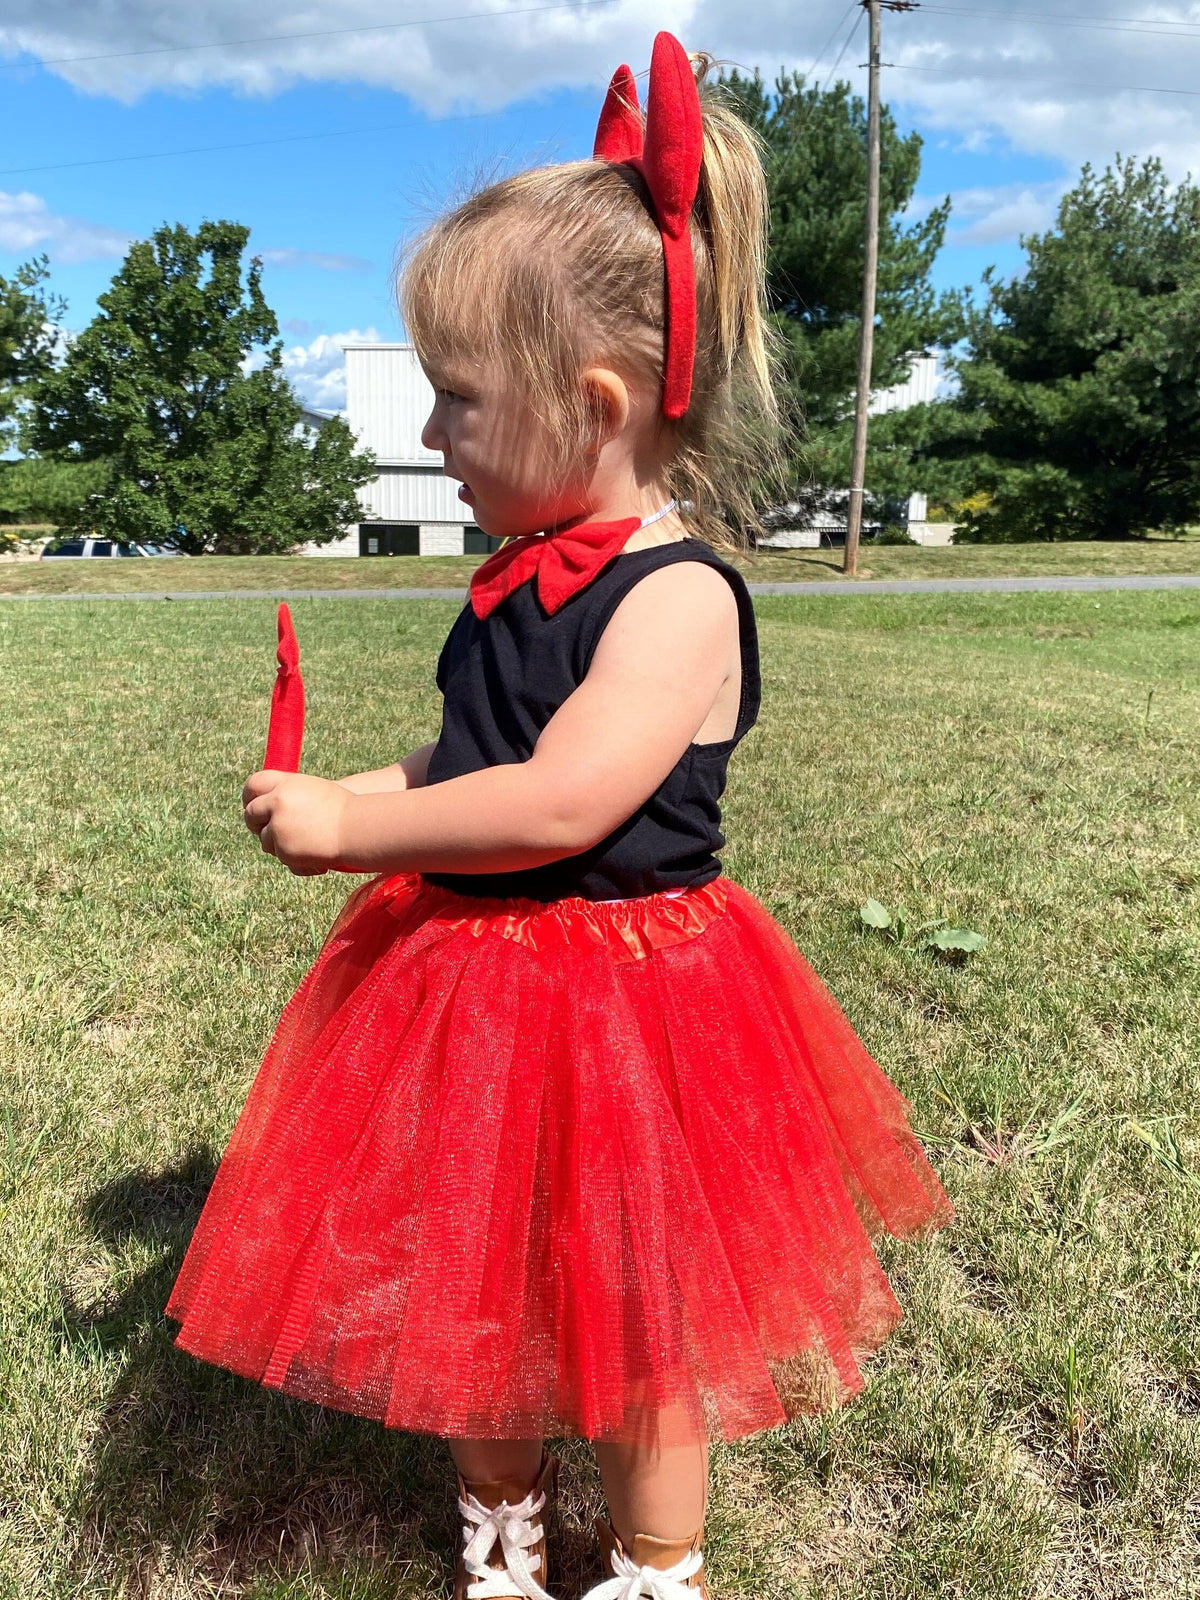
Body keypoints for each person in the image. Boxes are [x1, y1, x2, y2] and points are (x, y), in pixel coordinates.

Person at [166, 34, 952, 1600]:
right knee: (483, 1286)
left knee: (647, 1310)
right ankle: (505, 1527)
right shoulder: (512, 581)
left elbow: (560, 801)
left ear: (592, 405)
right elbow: (476, 756)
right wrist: (356, 793)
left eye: (459, 402)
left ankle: (661, 1563)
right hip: (475, 990)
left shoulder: (677, 599)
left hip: (635, 1002)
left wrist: (359, 836)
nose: (436, 437)